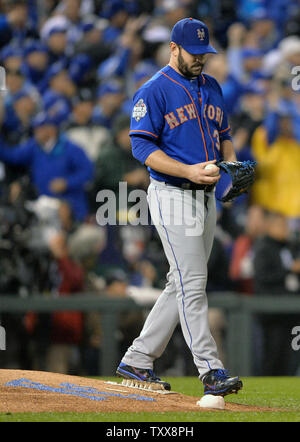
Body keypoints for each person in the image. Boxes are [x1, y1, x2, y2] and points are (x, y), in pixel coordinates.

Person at [116, 18, 243, 397]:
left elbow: (225, 138)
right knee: (192, 282)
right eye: (194, 52)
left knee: (181, 283)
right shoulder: (153, 91)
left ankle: (138, 359)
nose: (201, 59)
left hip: (205, 198)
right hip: (172, 194)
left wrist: (233, 173)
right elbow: (142, 148)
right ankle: (211, 370)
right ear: (174, 48)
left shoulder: (213, 86)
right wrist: (187, 169)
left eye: (205, 52)